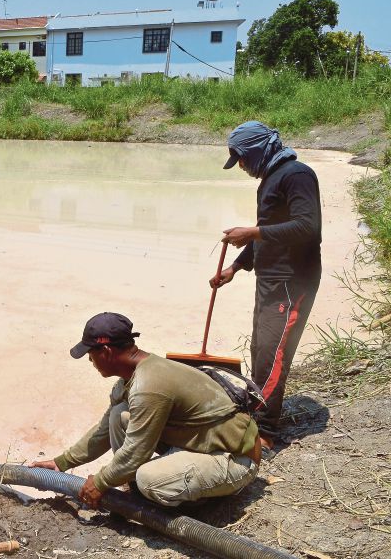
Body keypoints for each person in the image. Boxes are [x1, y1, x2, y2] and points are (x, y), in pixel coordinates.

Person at [31, 312, 261, 509]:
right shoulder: (134, 376)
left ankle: (190, 504)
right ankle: (151, 488)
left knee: (148, 479)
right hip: (202, 446)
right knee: (119, 415)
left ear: (107, 352)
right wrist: (62, 462)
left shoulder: (149, 386)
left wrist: (100, 482)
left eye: (90, 355)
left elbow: (135, 452)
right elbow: (103, 431)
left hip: (237, 460)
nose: (90, 361)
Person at [211, 121, 322, 451]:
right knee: (260, 351)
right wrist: (236, 266)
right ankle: (256, 415)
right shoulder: (271, 179)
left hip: (292, 280)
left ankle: (266, 433)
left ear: (259, 150)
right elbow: (270, 230)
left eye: (242, 159)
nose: (242, 166)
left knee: (273, 356)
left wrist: (252, 232)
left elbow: (307, 226)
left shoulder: (297, 174)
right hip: (270, 281)